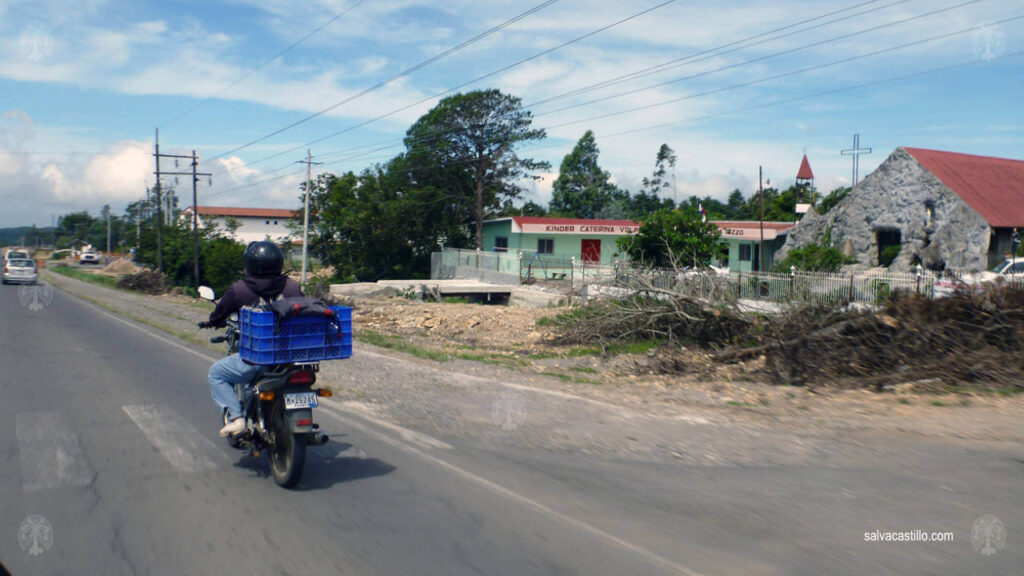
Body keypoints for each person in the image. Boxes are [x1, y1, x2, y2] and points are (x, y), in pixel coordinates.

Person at [202, 241, 302, 437]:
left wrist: (210, 321)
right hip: (289, 356)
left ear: (250, 264)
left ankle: (237, 419)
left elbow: (220, 314)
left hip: (258, 358)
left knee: (216, 373)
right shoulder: (292, 286)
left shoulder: (239, 289)